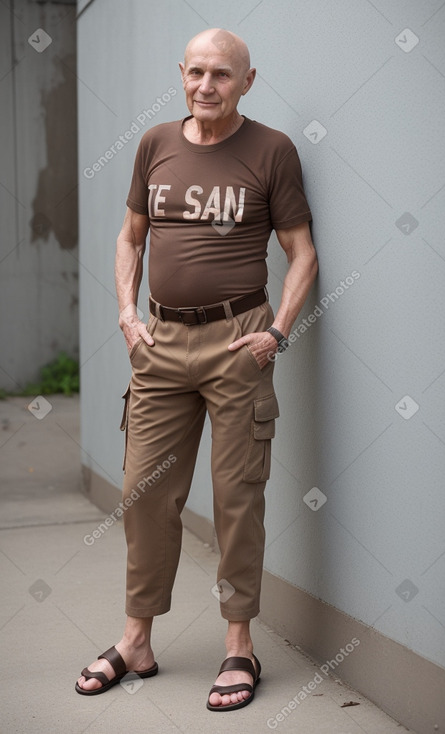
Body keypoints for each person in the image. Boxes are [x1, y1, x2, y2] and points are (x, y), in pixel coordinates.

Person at [76, 27, 318, 712]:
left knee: (237, 498)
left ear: (247, 81)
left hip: (238, 339)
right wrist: (127, 313)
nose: (205, 87)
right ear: (181, 73)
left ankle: (238, 646)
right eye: (196, 73)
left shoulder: (271, 151)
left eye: (221, 75)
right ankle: (136, 641)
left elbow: (302, 253)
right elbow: (130, 237)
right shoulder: (155, 144)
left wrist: (276, 330)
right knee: (145, 494)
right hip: (158, 345)